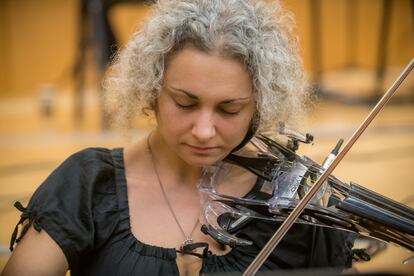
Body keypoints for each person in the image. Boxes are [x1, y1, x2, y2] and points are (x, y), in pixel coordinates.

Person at [2, 0, 355, 275]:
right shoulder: (90, 184)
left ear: (260, 105)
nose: (203, 131)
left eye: (229, 110)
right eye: (185, 103)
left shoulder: (293, 201)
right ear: (152, 88)